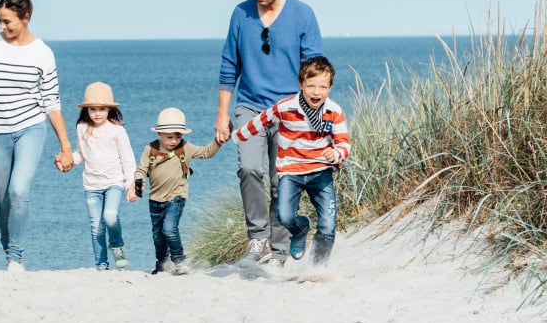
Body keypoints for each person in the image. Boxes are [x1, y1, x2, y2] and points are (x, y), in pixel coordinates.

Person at [214, 0, 323, 265]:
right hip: (250, 106)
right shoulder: (240, 14)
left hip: (291, 110)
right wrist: (222, 114)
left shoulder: (303, 15)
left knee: (281, 181)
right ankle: (257, 239)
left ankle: (279, 250)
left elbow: (314, 70)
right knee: (249, 168)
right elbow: (228, 65)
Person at [0, 0, 74, 273]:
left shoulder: (43, 53)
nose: (3, 27)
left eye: (8, 21)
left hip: (30, 129)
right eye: (0, 21)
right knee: (3, 201)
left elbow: (52, 101)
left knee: (18, 191)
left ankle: (16, 258)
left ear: (25, 18)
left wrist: (66, 146)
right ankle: (8, 249)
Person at [232, 56, 350, 264]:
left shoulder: (334, 112)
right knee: (285, 216)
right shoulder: (285, 107)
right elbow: (262, 120)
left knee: (328, 224)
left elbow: (343, 143)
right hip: (291, 172)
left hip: (321, 173)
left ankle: (318, 266)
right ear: (300, 84)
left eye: (322, 87)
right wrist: (239, 135)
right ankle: (300, 228)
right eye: (310, 85)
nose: (316, 92)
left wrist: (337, 153)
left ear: (330, 88)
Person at [134, 108, 223, 275]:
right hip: (155, 199)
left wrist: (218, 141)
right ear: (159, 133)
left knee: (169, 229)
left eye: (178, 136)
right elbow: (141, 168)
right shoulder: (150, 149)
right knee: (158, 236)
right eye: (169, 137)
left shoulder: (185, 148)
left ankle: (179, 261)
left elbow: (206, 152)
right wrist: (138, 180)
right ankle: (161, 263)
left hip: (177, 196)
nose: (174, 141)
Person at [67, 82, 137, 271]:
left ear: (109, 109)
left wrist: (131, 185)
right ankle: (101, 264)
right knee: (96, 226)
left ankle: (117, 246)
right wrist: (68, 161)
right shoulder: (82, 128)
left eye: (102, 109)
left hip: (114, 182)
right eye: (93, 109)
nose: (97, 113)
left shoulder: (117, 130)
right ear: (86, 110)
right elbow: (81, 154)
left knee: (110, 216)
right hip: (91, 185)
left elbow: (128, 159)